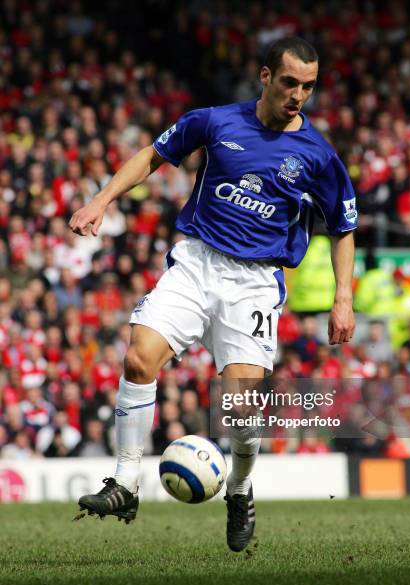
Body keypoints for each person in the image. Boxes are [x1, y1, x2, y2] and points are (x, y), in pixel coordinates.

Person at [69, 37, 357, 552]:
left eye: (308, 87)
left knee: (240, 410)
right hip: (198, 262)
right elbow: (151, 157)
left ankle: (241, 490)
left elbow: (343, 226)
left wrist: (343, 299)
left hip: (254, 282)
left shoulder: (318, 156)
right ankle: (126, 483)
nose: (298, 95)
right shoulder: (214, 121)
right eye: (290, 82)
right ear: (266, 76)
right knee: (139, 358)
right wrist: (101, 201)